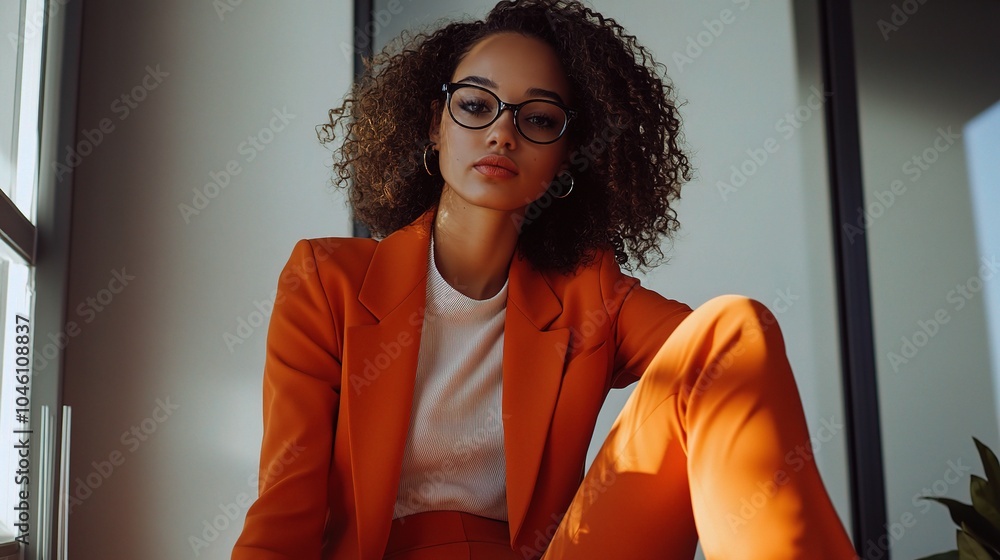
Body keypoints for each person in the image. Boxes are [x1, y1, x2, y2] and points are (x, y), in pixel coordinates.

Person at [232, 1, 858, 558]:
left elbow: (722, 361)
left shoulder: (589, 292)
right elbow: (285, 509)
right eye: (476, 106)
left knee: (732, 328)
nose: (502, 132)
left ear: (566, 157)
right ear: (434, 124)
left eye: (537, 120)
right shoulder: (328, 279)